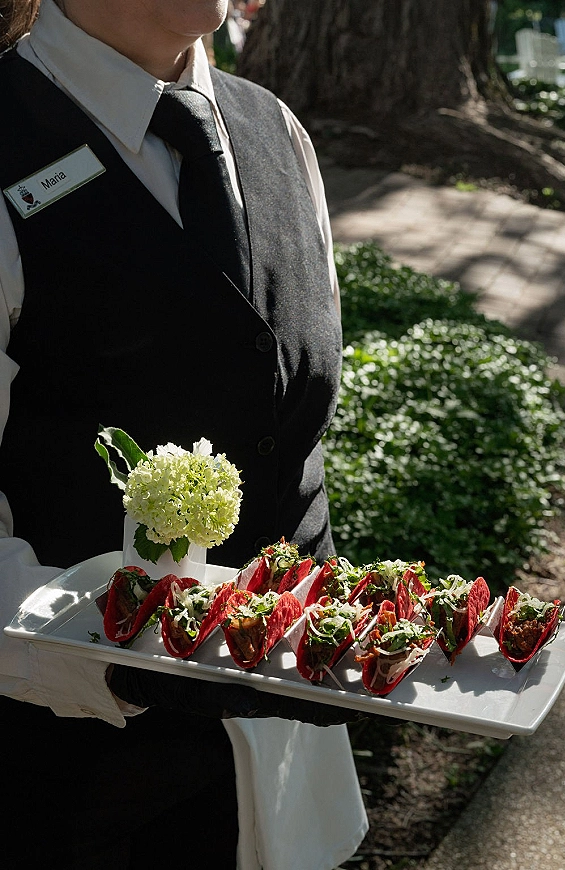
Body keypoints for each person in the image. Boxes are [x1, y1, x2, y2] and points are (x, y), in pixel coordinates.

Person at [0, 1, 370, 867]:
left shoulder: (275, 129)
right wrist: (126, 657)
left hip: (293, 794)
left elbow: (291, 434)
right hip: (75, 795)